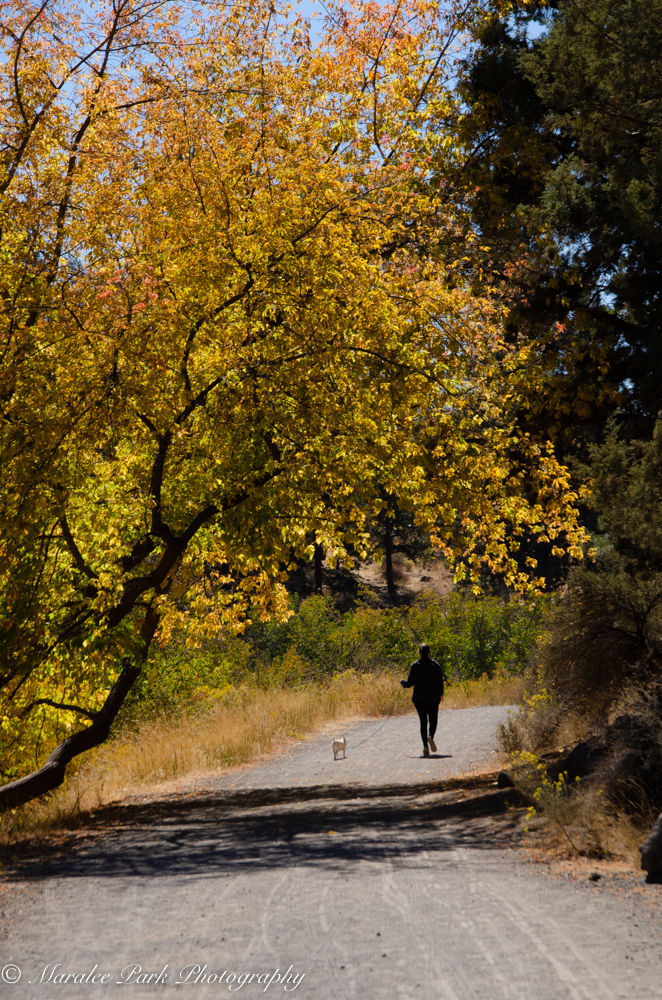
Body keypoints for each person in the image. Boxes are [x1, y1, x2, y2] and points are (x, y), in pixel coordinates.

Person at [400, 643, 444, 757]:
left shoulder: (415, 665)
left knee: (423, 722)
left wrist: (403, 682)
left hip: (419, 698)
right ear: (429, 652)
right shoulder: (435, 665)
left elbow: (410, 683)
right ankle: (431, 736)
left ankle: (425, 746)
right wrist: (441, 693)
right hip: (433, 697)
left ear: (419, 653)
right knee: (433, 720)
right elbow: (440, 681)